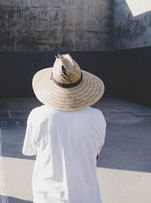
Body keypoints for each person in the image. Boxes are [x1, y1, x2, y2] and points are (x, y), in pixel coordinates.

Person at [23, 54, 106, 203]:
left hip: (47, 196)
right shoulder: (97, 117)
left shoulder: (37, 115)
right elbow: (96, 154)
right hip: (87, 197)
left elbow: (34, 152)